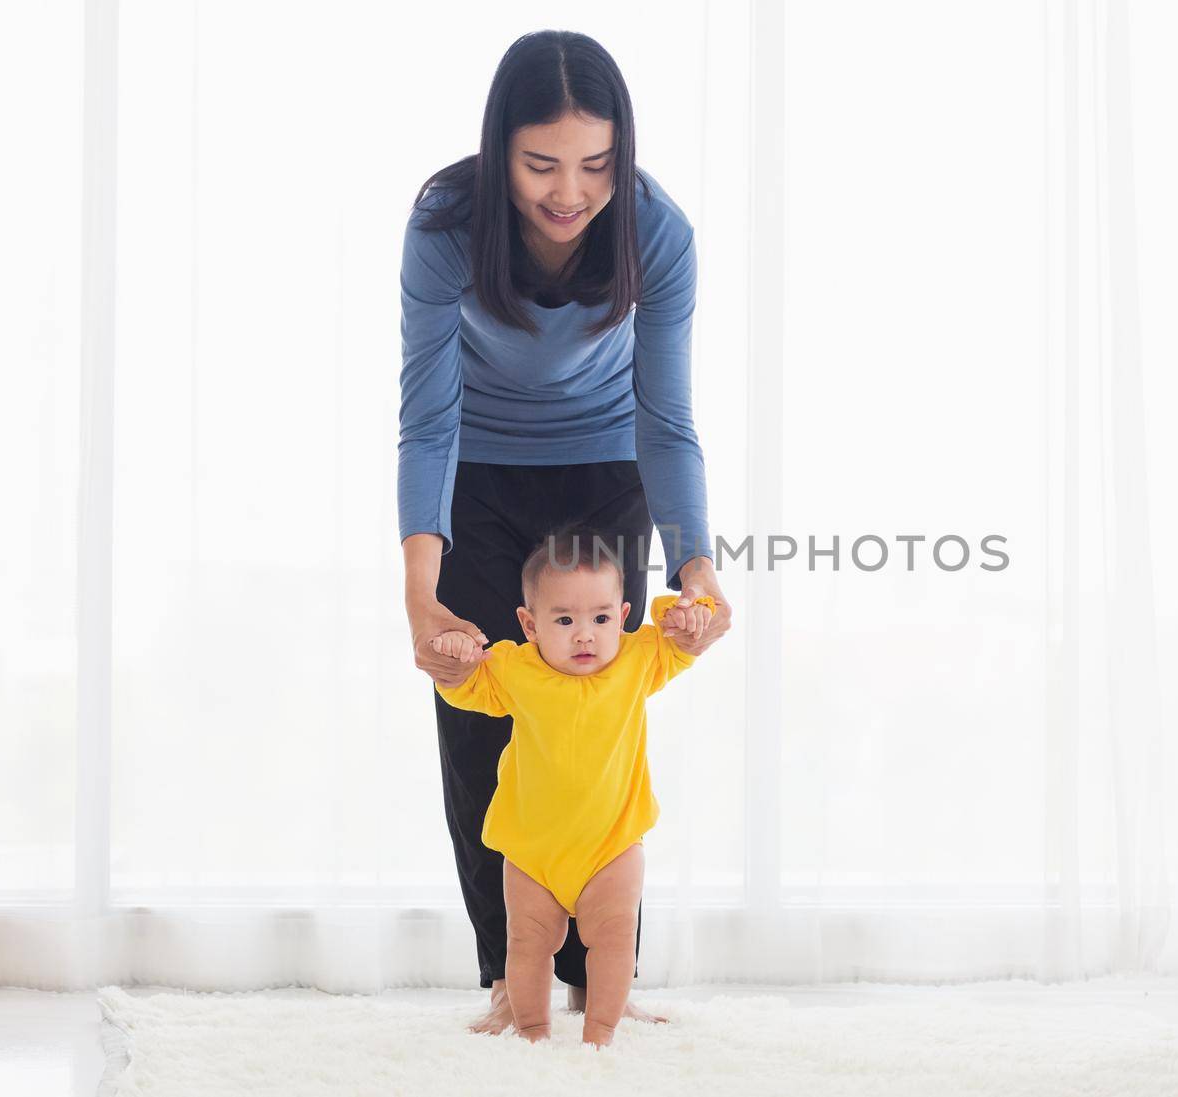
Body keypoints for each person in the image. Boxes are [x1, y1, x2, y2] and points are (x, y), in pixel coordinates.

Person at [397, 29, 733, 1033]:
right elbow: (428, 419)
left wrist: (698, 570)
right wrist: (423, 591)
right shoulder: (445, 226)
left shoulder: (655, 229)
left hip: (603, 475)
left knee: (590, 719)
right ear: (500, 149)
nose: (569, 189)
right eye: (542, 163)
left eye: (595, 162)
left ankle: (601, 980)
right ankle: (513, 975)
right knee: (481, 724)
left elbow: (665, 419)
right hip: (482, 479)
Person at [430, 529, 716, 1046]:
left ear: (623, 616)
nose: (585, 635)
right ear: (529, 624)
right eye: (564, 620)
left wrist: (685, 610)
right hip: (533, 850)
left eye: (601, 619)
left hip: (611, 845)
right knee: (527, 942)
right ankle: (533, 1031)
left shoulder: (638, 659)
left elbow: (687, 636)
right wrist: (453, 658)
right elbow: (465, 688)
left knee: (613, 939)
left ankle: (601, 1033)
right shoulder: (516, 667)